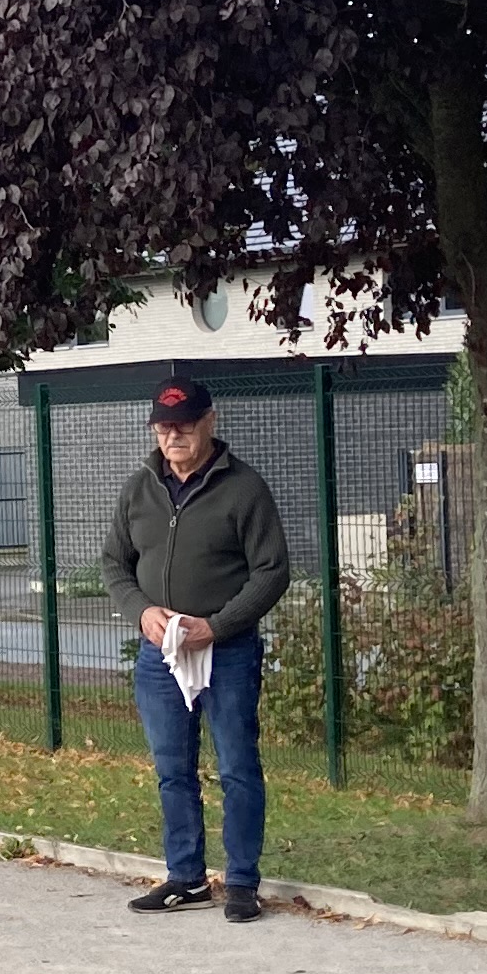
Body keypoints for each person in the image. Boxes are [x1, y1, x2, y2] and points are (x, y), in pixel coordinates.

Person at [101, 376, 291, 921]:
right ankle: (185, 878)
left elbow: (272, 571)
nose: (172, 435)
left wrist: (220, 625)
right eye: (163, 426)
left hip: (225, 651)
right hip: (160, 654)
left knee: (236, 766)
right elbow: (115, 563)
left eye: (183, 424)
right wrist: (141, 610)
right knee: (172, 769)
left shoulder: (244, 489)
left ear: (211, 421)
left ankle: (241, 883)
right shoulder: (139, 487)